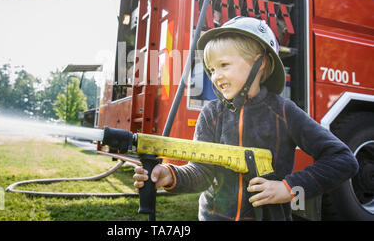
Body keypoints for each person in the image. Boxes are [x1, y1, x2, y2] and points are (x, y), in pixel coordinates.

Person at [133, 16, 359, 221]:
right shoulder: (211, 114)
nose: (216, 76)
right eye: (211, 70)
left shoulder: (284, 112)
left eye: (224, 65)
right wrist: (170, 175)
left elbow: (343, 159)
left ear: (259, 64)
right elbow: (201, 173)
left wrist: (289, 187)